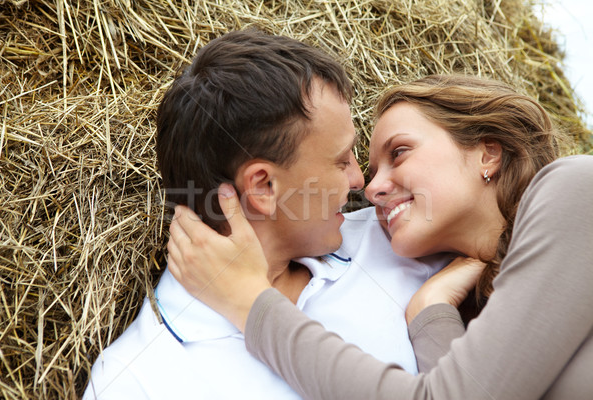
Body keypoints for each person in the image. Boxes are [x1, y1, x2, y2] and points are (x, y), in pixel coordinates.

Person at [84, 30, 459, 399]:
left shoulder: (400, 245)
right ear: (263, 186)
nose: (360, 180)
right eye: (341, 160)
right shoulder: (133, 382)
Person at [167, 74, 593, 399]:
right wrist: (434, 308)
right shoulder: (482, 309)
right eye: (371, 172)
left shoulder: (573, 190)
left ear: (487, 152)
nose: (369, 189)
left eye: (399, 152)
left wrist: (251, 303)